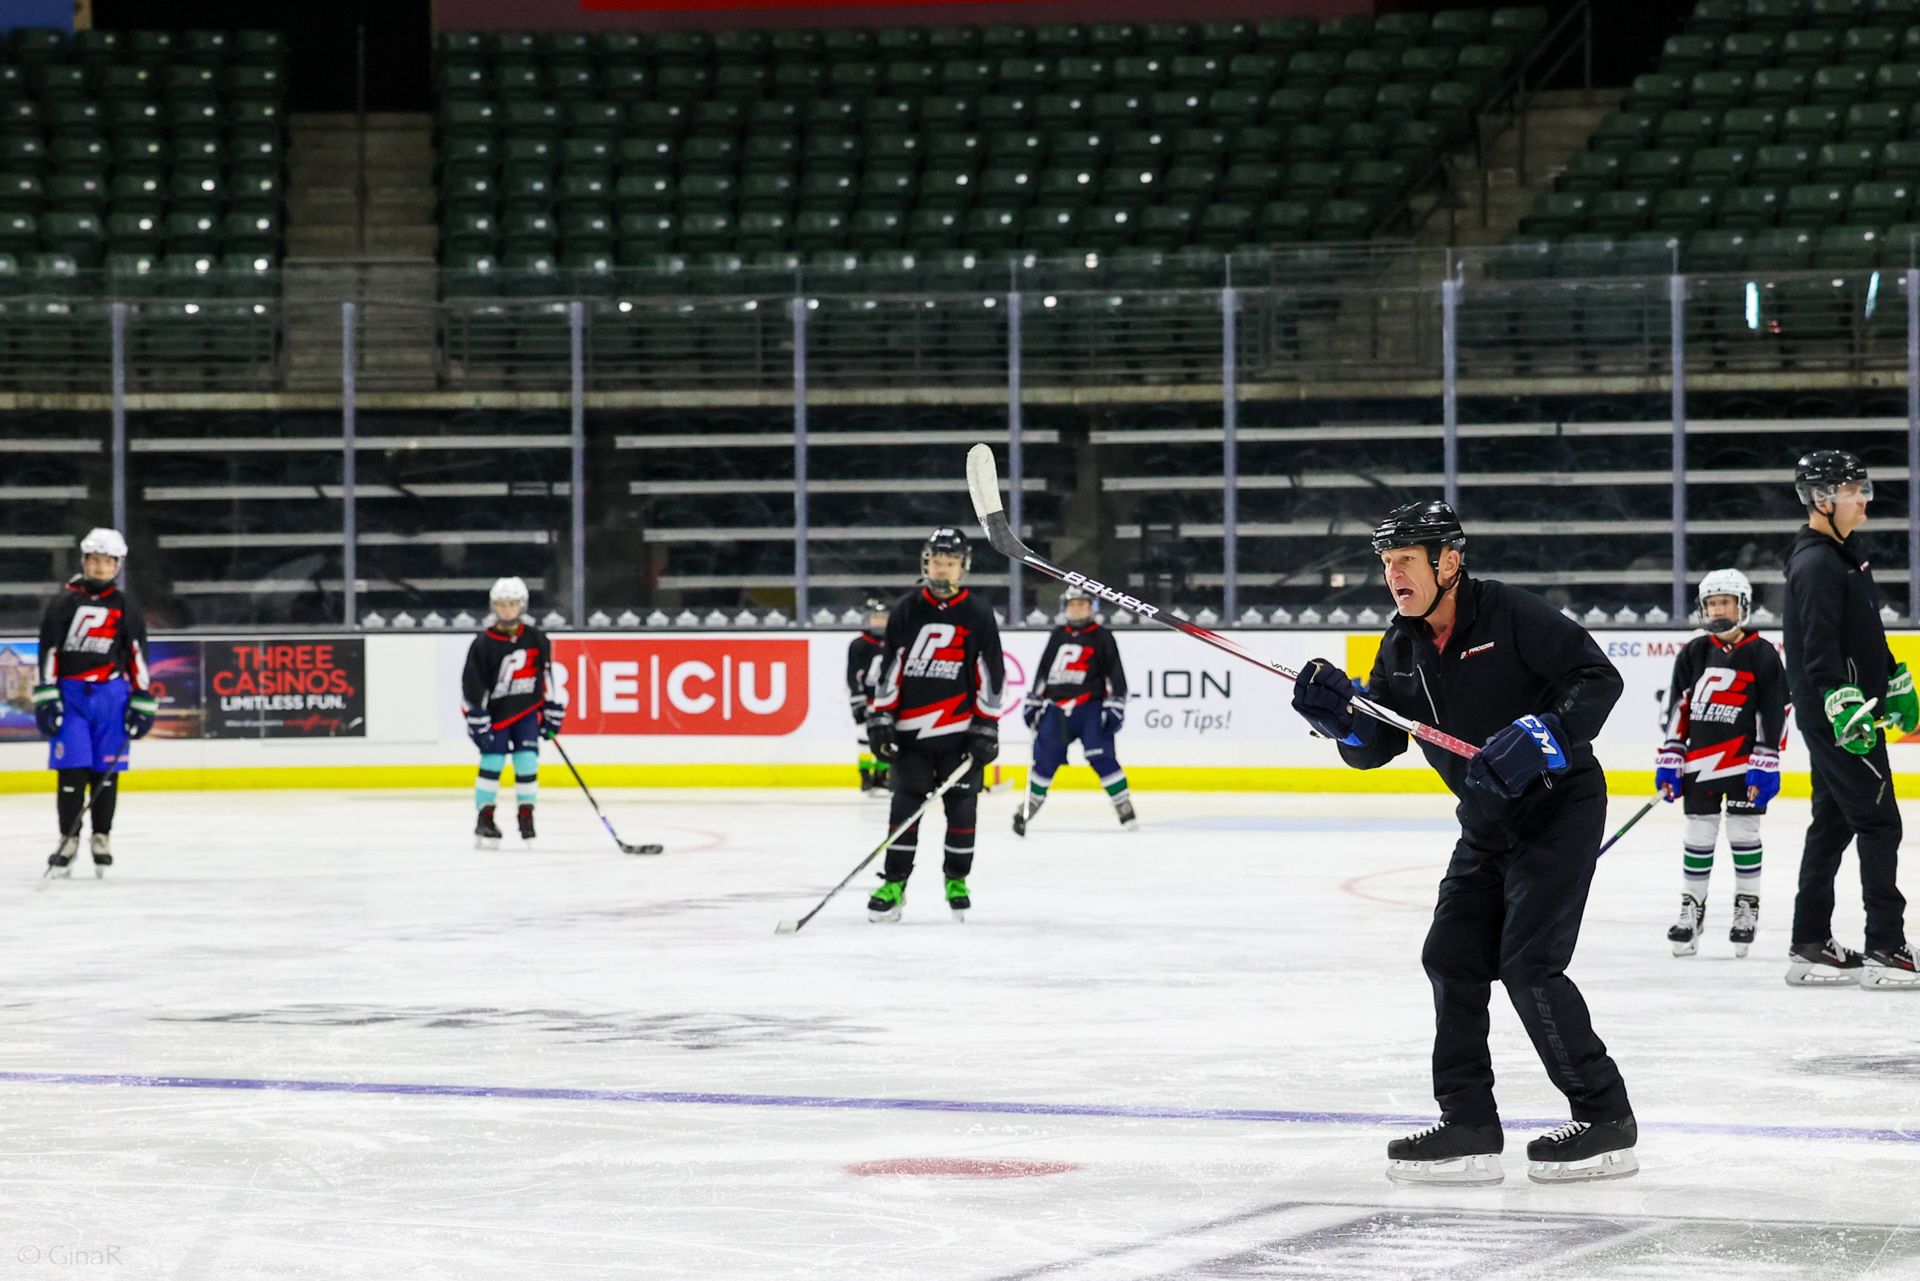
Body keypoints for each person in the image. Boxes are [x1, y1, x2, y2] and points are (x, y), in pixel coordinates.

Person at [1290, 499, 1637, 1186]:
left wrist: (1544, 734)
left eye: (1405, 562)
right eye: (1387, 564)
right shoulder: (1401, 648)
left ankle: (1605, 1117)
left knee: (1529, 963)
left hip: (1558, 809)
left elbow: (1598, 679)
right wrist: (1340, 723)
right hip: (1485, 820)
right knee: (1450, 953)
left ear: (1449, 561)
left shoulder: (1509, 614)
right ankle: (1469, 1123)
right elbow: (1378, 743)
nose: (1394, 576)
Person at [1781, 450, 1918, 988]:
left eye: (1863, 488)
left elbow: (1862, 631)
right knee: (1881, 822)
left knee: (1833, 823)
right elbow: (1817, 649)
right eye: (1852, 490)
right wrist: (1841, 703)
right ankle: (1886, 945)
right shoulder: (1816, 564)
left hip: (1855, 710)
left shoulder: (1845, 554)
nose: (1864, 498)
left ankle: (1810, 943)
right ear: (1822, 499)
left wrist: (1894, 677)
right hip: (1844, 720)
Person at [865, 528, 1004, 922]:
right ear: (925, 562)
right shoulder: (907, 608)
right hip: (912, 734)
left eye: (950, 563)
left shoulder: (977, 612)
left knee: (962, 814)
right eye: (936, 561)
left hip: (959, 734)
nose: (942, 569)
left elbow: (991, 672)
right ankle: (894, 884)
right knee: (903, 811)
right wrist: (881, 718)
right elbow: (891, 666)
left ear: (963, 567)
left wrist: (987, 725)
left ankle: (956, 879)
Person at [1655, 568, 1789, 959]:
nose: (1718, 611)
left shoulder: (1762, 653)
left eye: (1725, 603)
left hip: (1744, 766)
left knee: (1745, 835)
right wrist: (1671, 757)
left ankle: (1746, 906)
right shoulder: (1694, 651)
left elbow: (1776, 711)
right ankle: (1691, 909)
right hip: (1701, 764)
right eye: (1712, 604)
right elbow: (1677, 709)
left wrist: (1766, 762)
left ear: (1742, 606)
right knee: (1698, 837)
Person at [34, 528, 155, 878]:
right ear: (85, 561)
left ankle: (101, 837)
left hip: (112, 698)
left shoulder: (125, 606)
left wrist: (142, 700)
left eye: (108, 562)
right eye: (95, 561)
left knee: (106, 770)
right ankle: (68, 839)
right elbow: (49, 651)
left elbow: (136, 655)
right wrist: (47, 697)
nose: (101, 568)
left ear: (117, 566)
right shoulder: (64, 603)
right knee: (71, 768)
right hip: (72, 696)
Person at [1014, 585, 1136, 835]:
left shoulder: (1102, 636)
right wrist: (1035, 699)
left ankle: (1123, 804)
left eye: (1082, 604)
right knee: (1045, 758)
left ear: (1092, 607)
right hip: (1056, 709)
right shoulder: (1058, 634)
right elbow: (1044, 671)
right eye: (1072, 605)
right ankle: (1031, 803)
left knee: (1101, 757)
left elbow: (1115, 675)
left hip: (1090, 707)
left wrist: (1115, 705)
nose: (1077, 609)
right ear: (1065, 608)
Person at [461, 577, 565, 849]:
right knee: (492, 763)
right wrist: (477, 715)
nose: (508, 610)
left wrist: (552, 709)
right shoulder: (483, 643)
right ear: (494, 606)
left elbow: (546, 675)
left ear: (522, 605)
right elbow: (472, 683)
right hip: (497, 715)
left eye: (513, 604)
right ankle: (485, 818)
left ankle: (526, 815)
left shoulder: (536, 638)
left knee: (527, 762)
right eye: (502, 604)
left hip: (527, 711)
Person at [847, 595, 890, 793]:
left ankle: (882, 776)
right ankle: (865, 776)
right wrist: (858, 701)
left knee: (888, 737)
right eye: (875, 618)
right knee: (864, 738)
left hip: (887, 701)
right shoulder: (859, 645)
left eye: (883, 618)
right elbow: (852, 675)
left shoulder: (894, 643)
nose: (879, 622)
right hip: (867, 700)